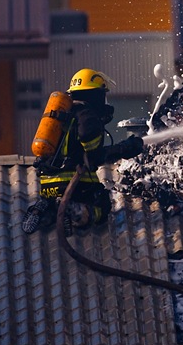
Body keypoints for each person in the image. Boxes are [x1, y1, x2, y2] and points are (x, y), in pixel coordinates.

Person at [22, 68, 144, 236]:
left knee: (53, 209)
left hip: (47, 185)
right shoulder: (87, 115)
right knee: (102, 205)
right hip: (75, 183)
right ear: (95, 95)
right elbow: (94, 156)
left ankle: (44, 211)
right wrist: (124, 148)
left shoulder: (62, 115)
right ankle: (75, 212)